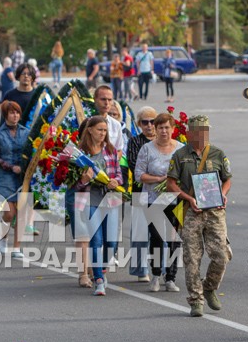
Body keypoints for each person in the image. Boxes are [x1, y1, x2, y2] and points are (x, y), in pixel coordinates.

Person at [164, 115, 232, 317]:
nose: (203, 135)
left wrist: (223, 195)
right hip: (191, 211)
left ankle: (209, 286)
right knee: (192, 258)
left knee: (222, 255)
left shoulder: (218, 154)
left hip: (215, 211)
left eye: (206, 131)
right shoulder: (180, 155)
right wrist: (188, 198)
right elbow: (171, 184)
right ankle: (196, 300)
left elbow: (227, 180)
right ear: (189, 133)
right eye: (199, 131)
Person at [74, 115, 125, 296]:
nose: (103, 134)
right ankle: (99, 280)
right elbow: (73, 184)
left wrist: (114, 181)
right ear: (90, 130)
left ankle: (102, 268)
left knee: (110, 241)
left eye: (105, 131)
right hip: (89, 200)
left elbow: (119, 174)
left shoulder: (110, 150)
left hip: (110, 199)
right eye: (99, 130)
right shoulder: (80, 153)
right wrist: (83, 179)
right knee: (95, 241)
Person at [137, 112, 184, 292]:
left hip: (176, 200)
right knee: (157, 237)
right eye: (160, 128)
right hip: (153, 199)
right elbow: (139, 174)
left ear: (173, 129)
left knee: (174, 239)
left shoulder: (180, 148)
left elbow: (186, 173)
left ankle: (170, 277)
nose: (164, 131)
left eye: (167, 127)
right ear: (155, 130)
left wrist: (175, 183)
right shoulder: (147, 149)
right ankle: (156, 274)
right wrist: (160, 179)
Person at [0, 100, 29, 259]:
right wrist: (10, 167)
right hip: (4, 176)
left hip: (22, 177)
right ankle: (3, 239)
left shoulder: (26, 132)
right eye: (12, 113)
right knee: (9, 213)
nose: (15, 115)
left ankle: (17, 248)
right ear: (5, 115)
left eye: (17, 112)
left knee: (20, 212)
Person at [125, 106, 158, 283]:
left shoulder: (164, 141)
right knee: (140, 233)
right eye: (145, 122)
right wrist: (157, 174)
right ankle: (140, 269)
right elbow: (134, 165)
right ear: (139, 124)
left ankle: (160, 269)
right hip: (140, 192)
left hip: (161, 194)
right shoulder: (135, 142)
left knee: (161, 233)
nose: (149, 125)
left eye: (153, 121)